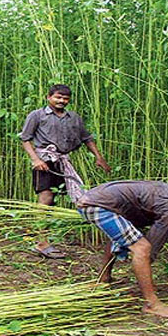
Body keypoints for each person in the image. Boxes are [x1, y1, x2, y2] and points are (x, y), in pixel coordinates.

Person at [76, 180, 168, 319]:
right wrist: (144, 263)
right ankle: (152, 304)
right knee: (142, 248)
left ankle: (104, 278)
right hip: (97, 206)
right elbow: (150, 247)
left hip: (94, 200)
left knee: (124, 237)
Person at [20, 84, 110, 258]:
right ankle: (41, 243)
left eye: (65, 98)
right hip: (45, 162)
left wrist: (99, 157)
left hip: (63, 161)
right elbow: (25, 139)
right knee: (45, 199)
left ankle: (52, 238)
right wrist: (36, 160)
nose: (62, 101)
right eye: (58, 97)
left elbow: (87, 139)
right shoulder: (37, 115)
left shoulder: (73, 118)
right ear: (49, 97)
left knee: (72, 197)